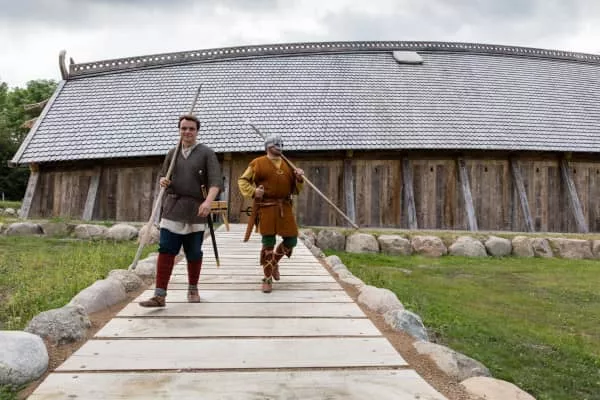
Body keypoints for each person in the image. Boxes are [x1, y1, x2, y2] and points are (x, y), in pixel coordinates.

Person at [140, 114, 221, 307]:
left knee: (193, 252)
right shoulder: (172, 153)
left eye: (191, 128)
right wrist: (163, 181)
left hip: (196, 209)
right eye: (184, 128)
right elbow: (164, 176)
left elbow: (216, 182)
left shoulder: (207, 153)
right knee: (166, 250)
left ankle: (193, 288)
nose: (187, 132)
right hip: (173, 207)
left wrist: (208, 202)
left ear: (197, 131)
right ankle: (159, 295)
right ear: (179, 130)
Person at [238, 134, 304, 293]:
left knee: (291, 240)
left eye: (281, 143)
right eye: (276, 144)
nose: (280, 146)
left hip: (284, 207)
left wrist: (299, 179)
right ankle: (267, 278)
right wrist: (254, 191)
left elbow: (295, 190)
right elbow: (242, 180)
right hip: (266, 207)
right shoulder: (257, 163)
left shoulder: (289, 165)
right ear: (268, 146)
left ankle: (273, 262)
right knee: (268, 242)